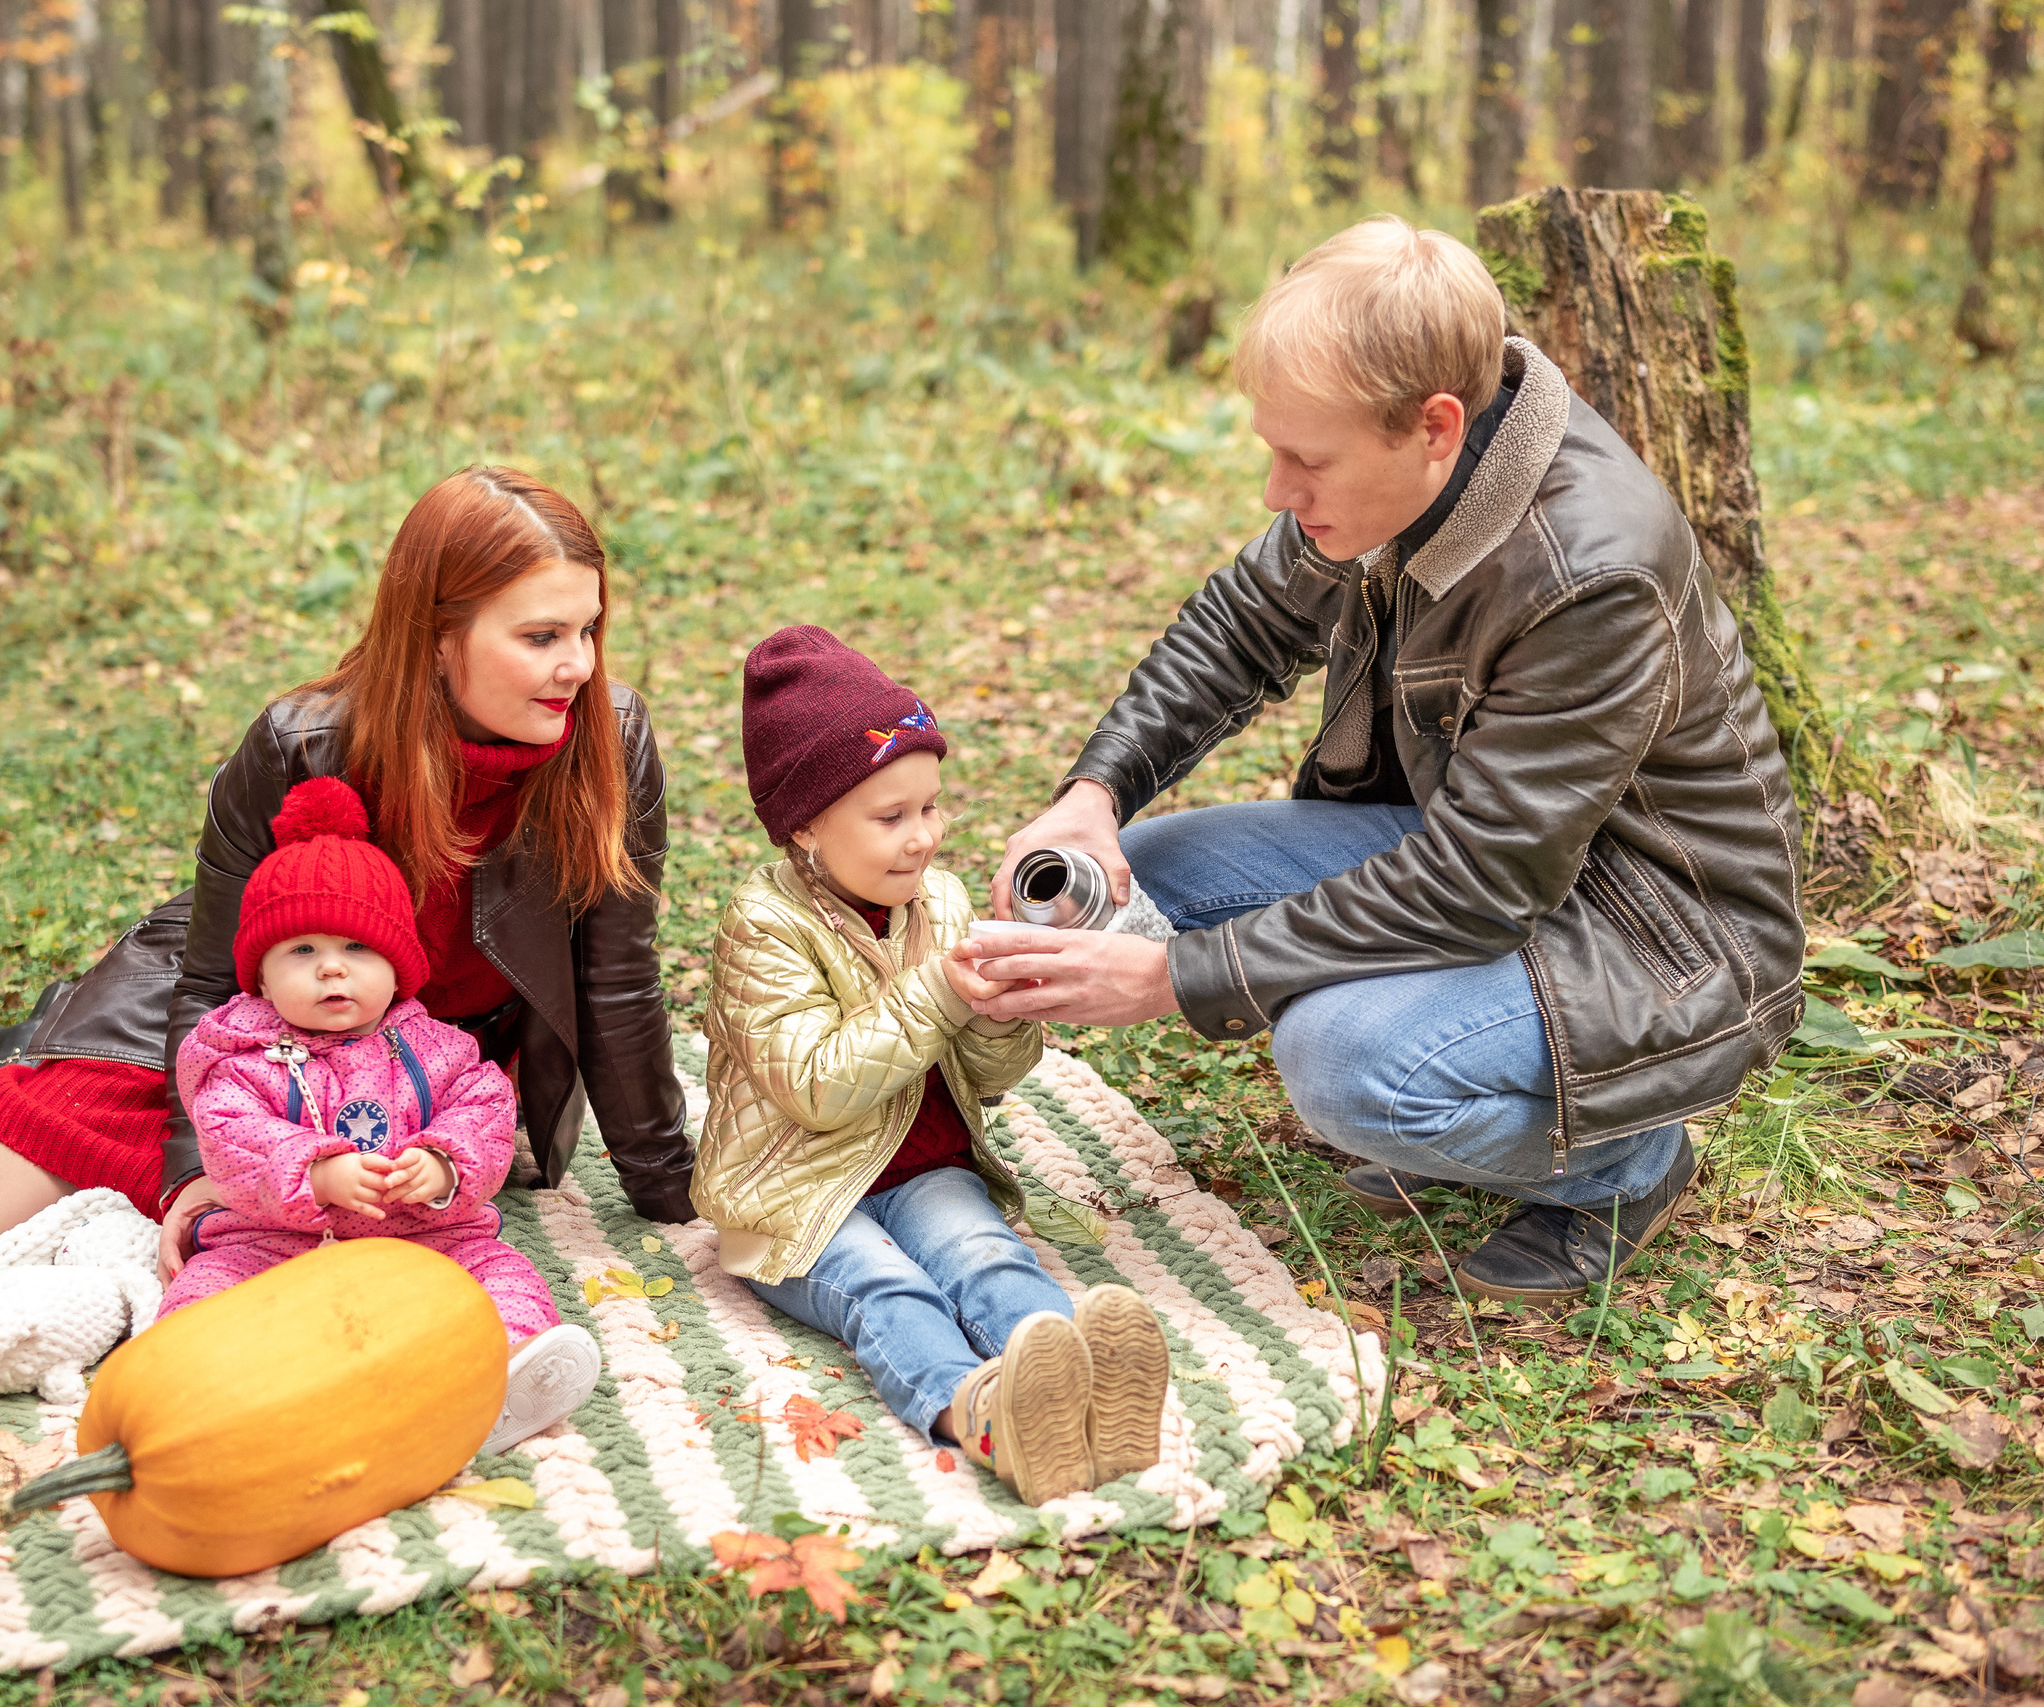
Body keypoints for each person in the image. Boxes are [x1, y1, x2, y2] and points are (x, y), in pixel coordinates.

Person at [963, 216, 1804, 1306]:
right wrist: (1094, 792)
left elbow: (1479, 883)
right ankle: (1463, 1089)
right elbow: (1239, 627)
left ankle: (1624, 1165)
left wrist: (1178, 979)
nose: (1277, 492)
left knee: (1344, 1065)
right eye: (1274, 450)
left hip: (1653, 933)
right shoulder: (1405, 474)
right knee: (1141, 873)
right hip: (1496, 851)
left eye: (1307, 460)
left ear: (1434, 427)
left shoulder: (1589, 572)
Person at [0, 465, 695, 1281]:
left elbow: (618, 983)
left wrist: (668, 1192)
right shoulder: (299, 743)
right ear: (437, 637)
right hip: (252, 1009)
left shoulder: (610, 740)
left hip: (412, 1052)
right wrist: (197, 1170)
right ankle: (7, 1064)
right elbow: (210, 978)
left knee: (351, 1221)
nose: (578, 665)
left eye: (588, 630)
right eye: (542, 637)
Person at [694, 627, 1173, 1506]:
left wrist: (1000, 1012)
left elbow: (985, 1077)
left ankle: (1083, 1380)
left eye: (932, 807)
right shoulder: (762, 925)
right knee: (888, 1288)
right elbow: (815, 1088)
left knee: (985, 1254)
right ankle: (985, 1416)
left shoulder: (940, 902)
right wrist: (942, 994)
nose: (922, 838)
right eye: (891, 817)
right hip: (796, 1193)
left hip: (922, 1165)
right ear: (805, 824)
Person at [163, 774, 600, 1453]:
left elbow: (485, 1108)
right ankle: (208, 1391)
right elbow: (231, 1136)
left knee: (502, 1276)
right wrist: (315, 1173)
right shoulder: (241, 1057)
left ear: (399, 968)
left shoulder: (436, 1048)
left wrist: (444, 1163)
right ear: (261, 975)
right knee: (205, 1293)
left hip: (423, 1237)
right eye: (302, 950)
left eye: (357, 948)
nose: (332, 970)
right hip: (277, 1242)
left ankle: (506, 1372)